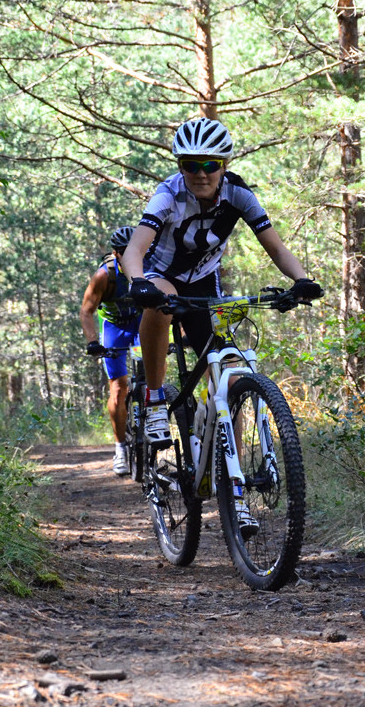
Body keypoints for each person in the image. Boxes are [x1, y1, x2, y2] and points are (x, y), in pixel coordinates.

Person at [121, 117, 323, 455]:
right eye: (191, 165)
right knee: (160, 302)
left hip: (204, 281)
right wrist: (138, 282)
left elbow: (276, 248)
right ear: (180, 167)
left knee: (229, 379)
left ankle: (234, 477)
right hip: (162, 275)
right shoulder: (168, 194)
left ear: (224, 165)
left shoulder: (238, 194)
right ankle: (154, 399)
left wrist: (302, 280)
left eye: (210, 165)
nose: (201, 174)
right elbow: (134, 250)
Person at [80, 225, 142, 476]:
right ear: (116, 254)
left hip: (141, 323)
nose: (130, 256)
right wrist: (92, 342)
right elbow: (86, 311)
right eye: (124, 252)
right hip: (114, 327)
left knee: (152, 377)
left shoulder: (149, 267)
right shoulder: (104, 276)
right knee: (118, 387)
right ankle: (120, 448)